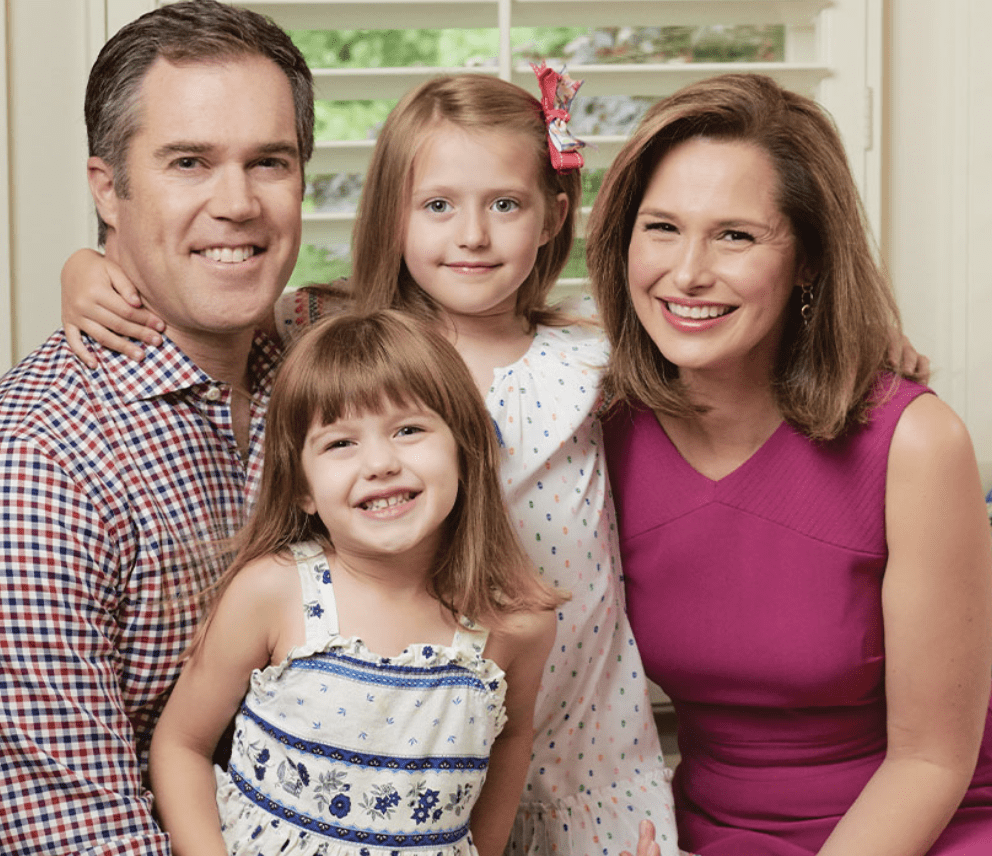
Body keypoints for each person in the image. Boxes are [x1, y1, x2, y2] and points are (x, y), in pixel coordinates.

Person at [61, 71, 686, 855]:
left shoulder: (595, 363)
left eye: (504, 204)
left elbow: (734, 367)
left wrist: (880, 362)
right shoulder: (333, 332)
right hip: (393, 760)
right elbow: (195, 285)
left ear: (553, 216)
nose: (472, 236)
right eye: (437, 206)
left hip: (576, 756)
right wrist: (85, 269)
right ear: (392, 214)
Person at [587, 73, 992, 855]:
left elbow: (932, 759)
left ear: (808, 259)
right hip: (713, 834)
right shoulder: (594, 429)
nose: (688, 273)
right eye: (661, 227)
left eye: (735, 235)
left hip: (931, 825)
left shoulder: (916, 444)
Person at [0, 2, 314, 854]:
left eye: (270, 162)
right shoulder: (43, 462)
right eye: (189, 162)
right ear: (107, 187)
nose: (239, 203)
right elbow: (78, 831)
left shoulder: (324, 375)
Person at [147, 308, 561, 856]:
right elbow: (181, 744)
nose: (380, 463)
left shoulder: (517, 622)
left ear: (464, 450)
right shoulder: (275, 591)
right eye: (341, 443)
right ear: (303, 488)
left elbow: (510, 744)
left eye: (409, 429)